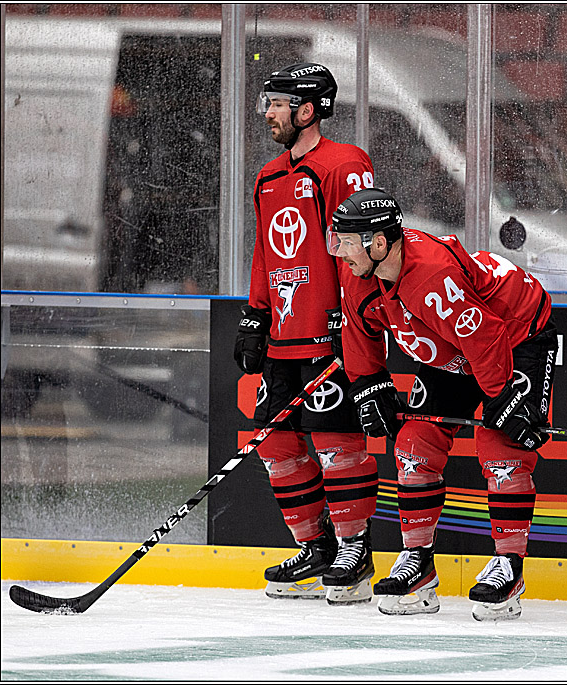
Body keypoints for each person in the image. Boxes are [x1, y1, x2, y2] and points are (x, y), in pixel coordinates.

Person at [328, 188, 557, 621]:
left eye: (346, 242)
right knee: (413, 447)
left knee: (503, 448)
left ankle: (509, 564)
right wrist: (369, 384)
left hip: (515, 333)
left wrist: (504, 397)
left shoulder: (429, 275)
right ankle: (418, 561)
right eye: (335, 240)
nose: (339, 252)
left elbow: (485, 337)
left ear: (380, 243)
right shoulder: (357, 272)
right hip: (449, 350)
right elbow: (359, 332)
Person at [234, 62, 378, 604]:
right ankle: (315, 548)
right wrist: (254, 316)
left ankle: (353, 552)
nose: (268, 113)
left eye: (277, 103)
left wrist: (351, 319)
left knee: (338, 446)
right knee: (276, 445)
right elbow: (265, 253)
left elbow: (361, 249)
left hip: (331, 337)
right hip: (283, 339)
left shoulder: (344, 164)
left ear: (308, 109)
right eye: (266, 103)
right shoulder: (268, 176)